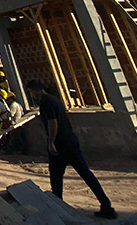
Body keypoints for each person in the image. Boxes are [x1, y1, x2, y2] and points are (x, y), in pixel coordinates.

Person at [27, 80, 118, 220]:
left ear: (35, 90)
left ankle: (57, 206)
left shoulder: (45, 102)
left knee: (56, 176)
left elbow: (53, 123)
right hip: (70, 141)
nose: (31, 94)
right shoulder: (54, 99)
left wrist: (51, 142)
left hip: (60, 144)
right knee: (85, 173)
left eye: (31, 91)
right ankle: (106, 205)